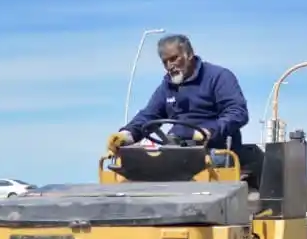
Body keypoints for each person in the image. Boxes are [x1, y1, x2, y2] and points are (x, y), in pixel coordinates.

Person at [106, 34, 257, 179]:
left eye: (173, 59)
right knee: (138, 165)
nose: (169, 66)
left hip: (214, 151)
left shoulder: (218, 77)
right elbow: (149, 115)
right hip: (178, 151)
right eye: (165, 62)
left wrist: (210, 131)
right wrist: (127, 134)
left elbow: (237, 112)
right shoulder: (167, 86)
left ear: (189, 54)